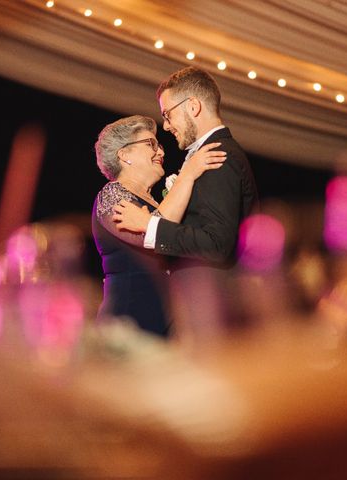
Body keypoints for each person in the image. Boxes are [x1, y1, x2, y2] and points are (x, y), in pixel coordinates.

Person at [113, 67, 259, 340]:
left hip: (215, 314)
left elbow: (217, 245)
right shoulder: (208, 156)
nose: (166, 125)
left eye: (168, 114)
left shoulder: (218, 157)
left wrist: (149, 225)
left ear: (192, 107)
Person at [92, 115, 226, 336]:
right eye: (150, 144)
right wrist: (188, 175)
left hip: (169, 321)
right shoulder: (112, 193)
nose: (161, 153)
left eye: (160, 145)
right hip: (129, 327)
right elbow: (153, 235)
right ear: (124, 155)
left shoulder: (157, 202)